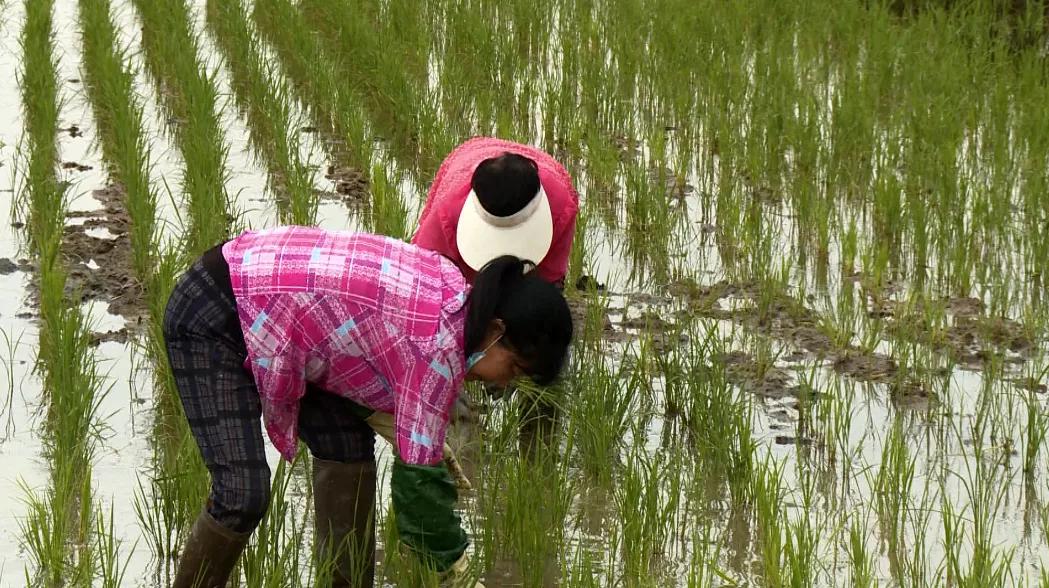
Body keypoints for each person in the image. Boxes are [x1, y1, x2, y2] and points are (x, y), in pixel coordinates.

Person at [163, 225, 573, 587]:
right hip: (221, 309)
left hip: (278, 313)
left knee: (346, 447)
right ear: (497, 329)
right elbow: (419, 499)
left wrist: (392, 420)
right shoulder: (437, 347)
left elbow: (353, 343)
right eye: (515, 367)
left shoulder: (455, 295)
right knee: (242, 493)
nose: (507, 382)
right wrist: (456, 568)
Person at [413, 137, 579, 287]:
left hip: (538, 171)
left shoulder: (560, 205)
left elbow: (550, 278)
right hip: (471, 155)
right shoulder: (448, 211)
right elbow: (422, 272)